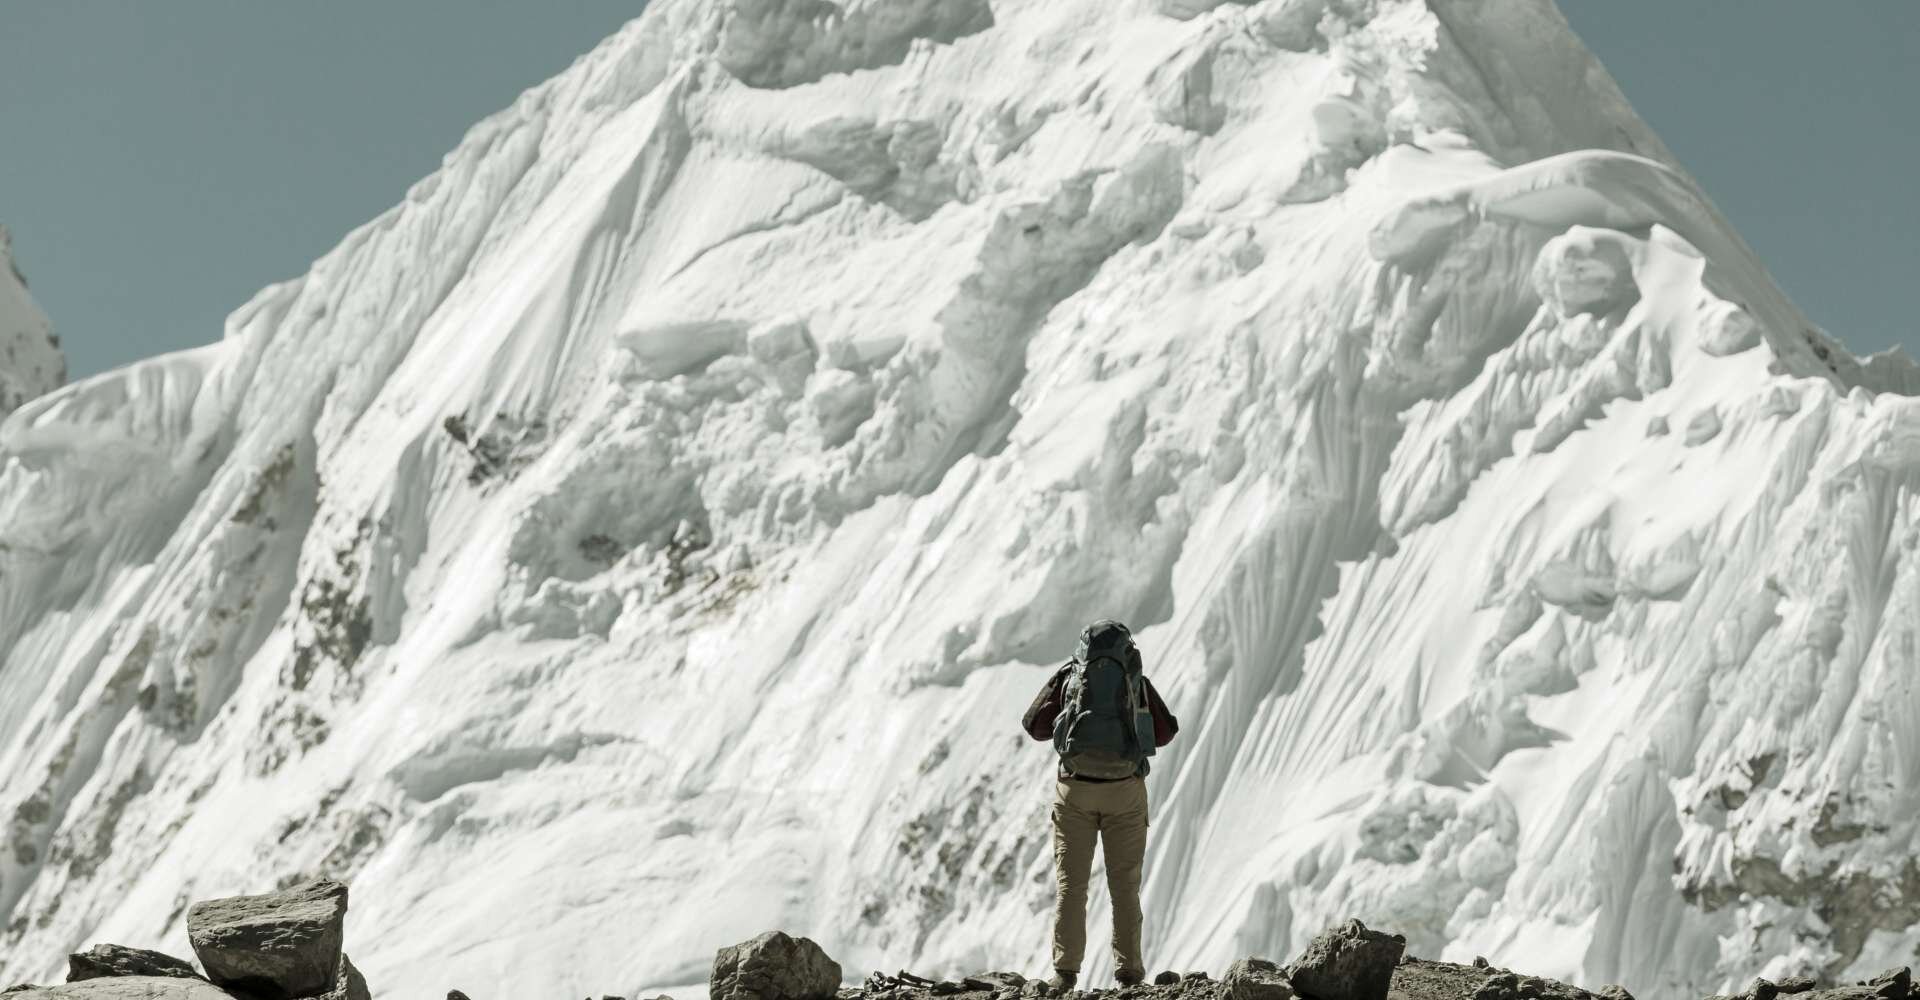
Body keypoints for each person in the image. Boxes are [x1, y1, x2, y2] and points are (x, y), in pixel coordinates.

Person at [1021, 619, 1179, 993]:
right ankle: (1128, 975)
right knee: (1124, 886)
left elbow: (1034, 725)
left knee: (1071, 887)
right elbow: (1166, 731)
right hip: (1124, 793)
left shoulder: (1071, 676)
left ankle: (1065, 974)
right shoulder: (1134, 680)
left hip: (1075, 792)